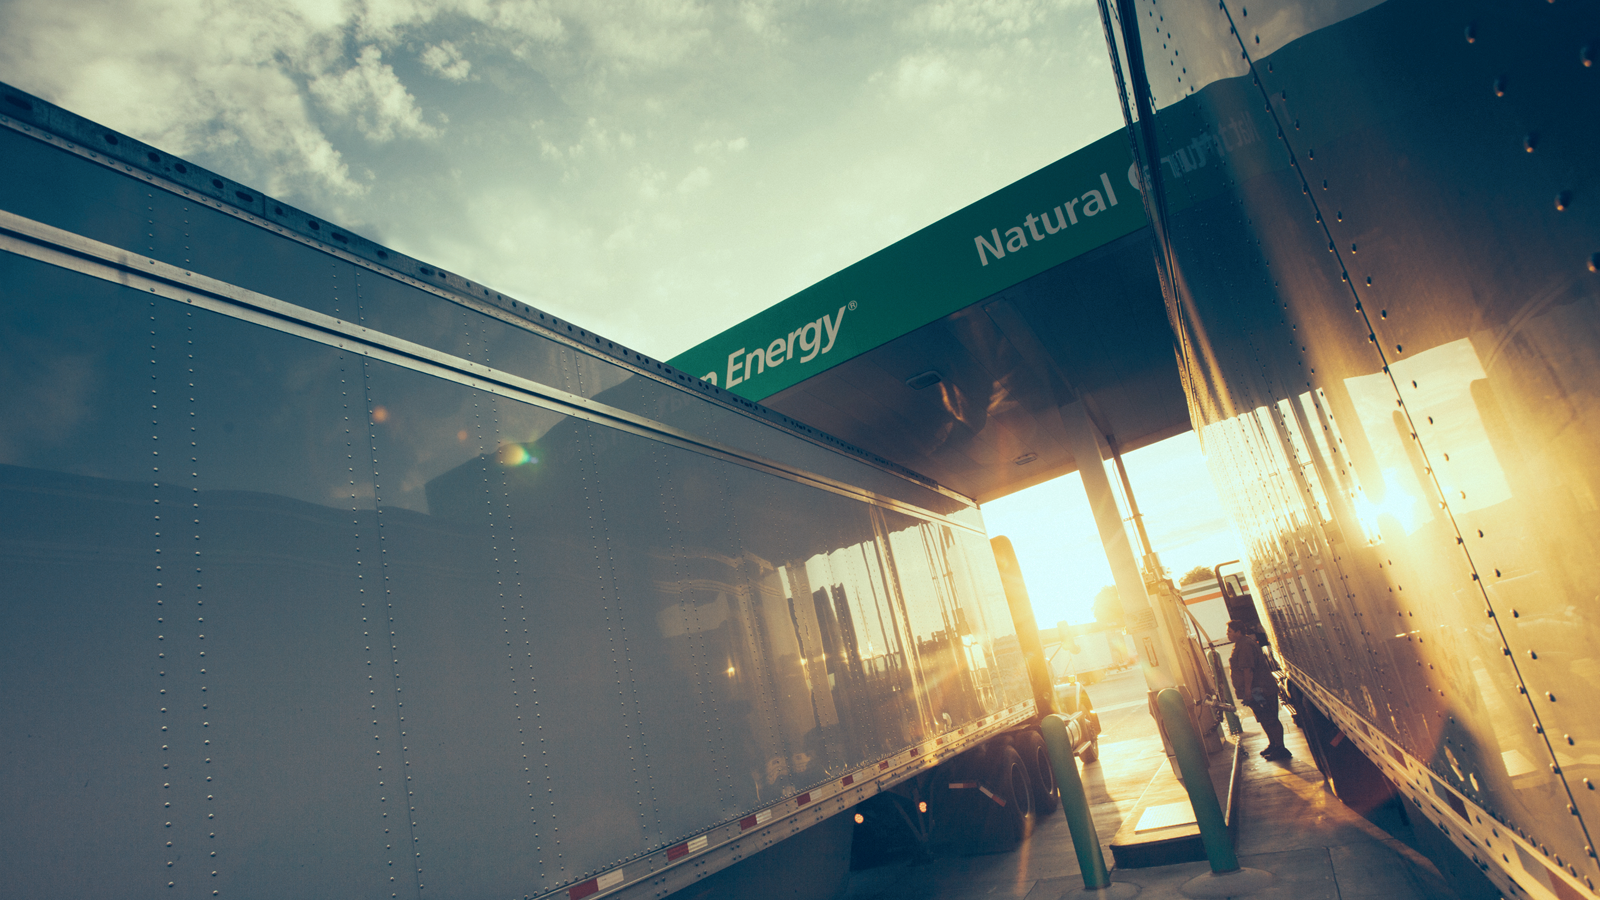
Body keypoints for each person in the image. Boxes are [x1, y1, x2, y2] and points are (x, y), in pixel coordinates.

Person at [1227, 620, 1290, 760]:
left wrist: (1248, 692)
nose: (1227, 635)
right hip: (1256, 691)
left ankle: (1281, 748)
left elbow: (1247, 670)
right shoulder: (1241, 644)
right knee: (1263, 718)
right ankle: (1273, 744)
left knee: (1270, 719)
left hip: (1260, 690)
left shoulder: (1245, 645)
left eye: (1230, 632)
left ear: (1238, 632)